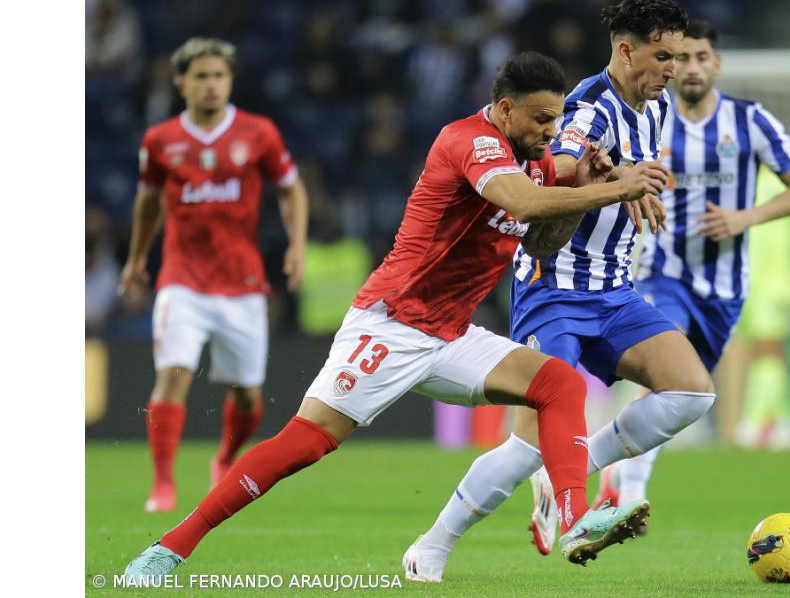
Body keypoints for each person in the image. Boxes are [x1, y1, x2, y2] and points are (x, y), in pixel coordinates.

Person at [123, 51, 666, 582]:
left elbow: (542, 241)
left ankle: (574, 522)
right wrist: (617, 186)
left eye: (557, 119)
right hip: (394, 322)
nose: (553, 130)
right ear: (505, 110)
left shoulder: (539, 163)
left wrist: (583, 190)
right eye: (543, 118)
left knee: (560, 385)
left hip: (452, 334)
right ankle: (170, 547)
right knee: (304, 443)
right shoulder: (469, 140)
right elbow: (522, 204)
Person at [402, 0, 711, 584]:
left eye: (677, 57)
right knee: (528, 445)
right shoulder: (587, 106)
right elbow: (555, 169)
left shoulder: (658, 106)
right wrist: (622, 179)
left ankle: (572, 467)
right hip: (555, 289)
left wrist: (629, 182)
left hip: (614, 290)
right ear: (626, 49)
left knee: (693, 393)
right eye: (663, 55)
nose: (674, 69)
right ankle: (433, 546)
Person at [599, 19, 790, 509]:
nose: (692, 68)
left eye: (702, 58)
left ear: (716, 65)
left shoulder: (751, 121)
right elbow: (609, 172)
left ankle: (615, 470)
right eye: (683, 59)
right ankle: (624, 492)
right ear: (670, 68)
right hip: (662, 273)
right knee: (665, 374)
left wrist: (746, 217)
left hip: (723, 290)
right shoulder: (649, 119)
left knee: (681, 399)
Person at [118, 37, 309, 514]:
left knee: (246, 396)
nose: (210, 84)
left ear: (230, 81)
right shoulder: (160, 141)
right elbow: (147, 203)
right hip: (182, 279)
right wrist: (137, 257)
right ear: (181, 83)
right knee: (173, 372)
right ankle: (163, 484)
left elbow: (291, 190)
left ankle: (224, 458)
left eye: (219, 76)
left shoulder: (258, 133)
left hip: (242, 284)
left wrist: (297, 245)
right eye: (201, 76)